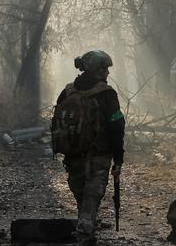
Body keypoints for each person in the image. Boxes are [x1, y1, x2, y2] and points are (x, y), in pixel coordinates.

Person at [55, 50, 125, 245]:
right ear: (94, 69)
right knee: (91, 196)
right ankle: (85, 232)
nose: (107, 72)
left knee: (82, 196)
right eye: (103, 68)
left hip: (73, 155)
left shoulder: (67, 92)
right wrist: (119, 159)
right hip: (99, 155)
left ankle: (85, 226)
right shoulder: (107, 94)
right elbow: (117, 126)